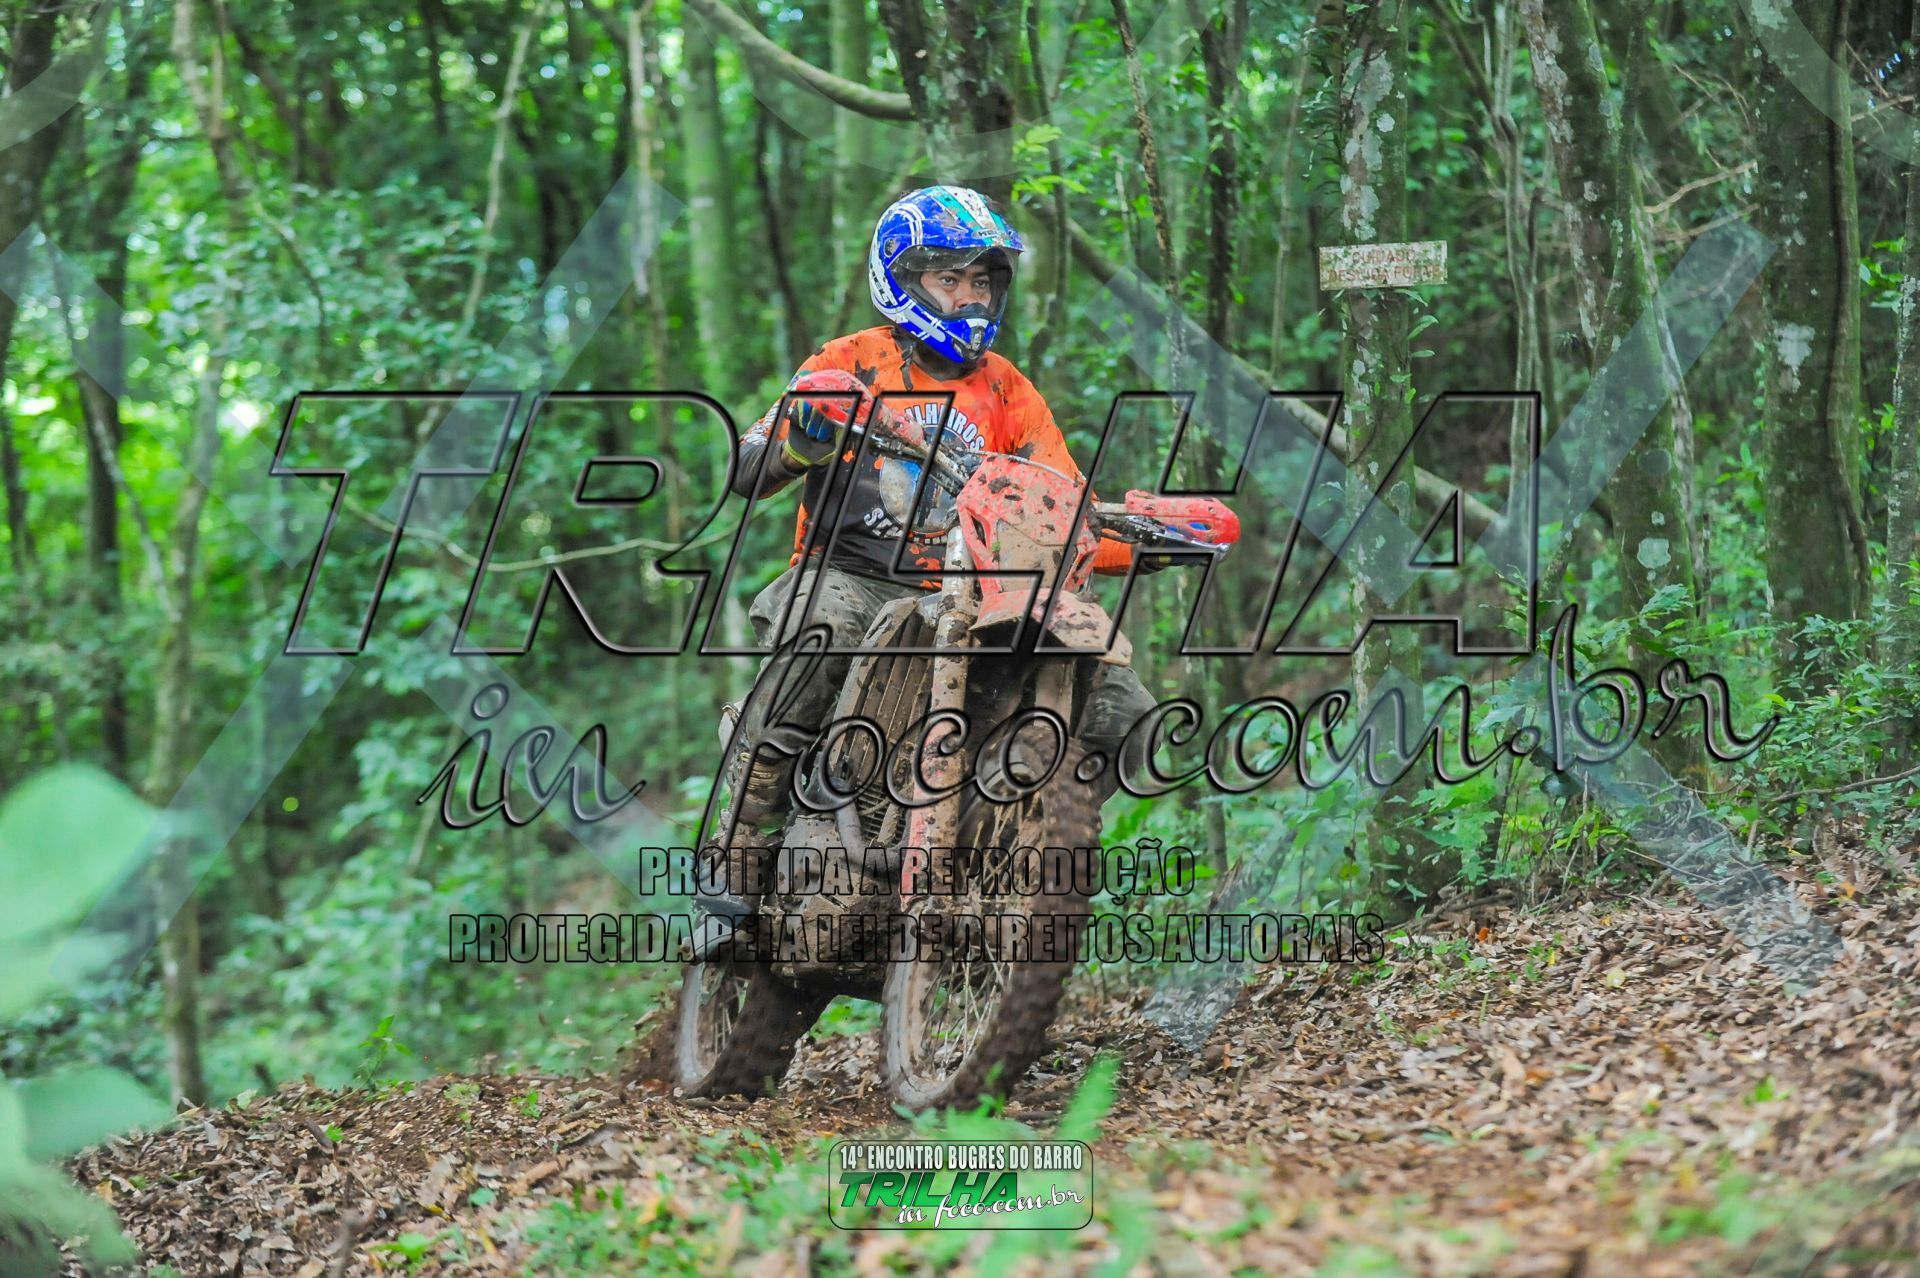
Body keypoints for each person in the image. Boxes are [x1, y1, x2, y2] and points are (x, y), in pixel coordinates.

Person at [723, 184, 1155, 837]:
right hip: (852, 576)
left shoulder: (1008, 388)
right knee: (817, 633)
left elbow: (1067, 506)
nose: (969, 297)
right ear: (903, 279)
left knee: (1124, 710)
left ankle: (1019, 841)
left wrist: (1154, 537)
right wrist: (800, 445)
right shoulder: (849, 361)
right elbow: (746, 467)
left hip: (981, 593)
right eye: (949, 279)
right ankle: (747, 831)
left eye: (981, 281)